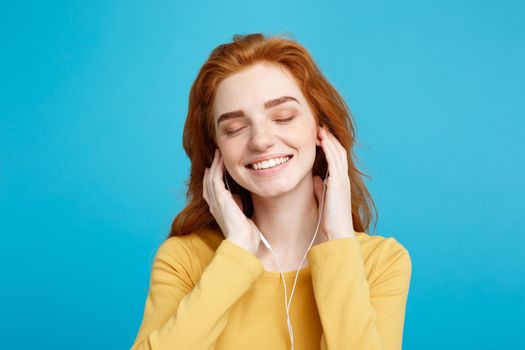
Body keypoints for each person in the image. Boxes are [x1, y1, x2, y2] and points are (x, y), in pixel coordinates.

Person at [131, 32, 412, 350]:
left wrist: (338, 244)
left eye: (283, 117)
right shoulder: (184, 260)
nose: (260, 140)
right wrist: (236, 254)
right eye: (234, 129)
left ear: (322, 129)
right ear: (216, 151)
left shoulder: (380, 262)